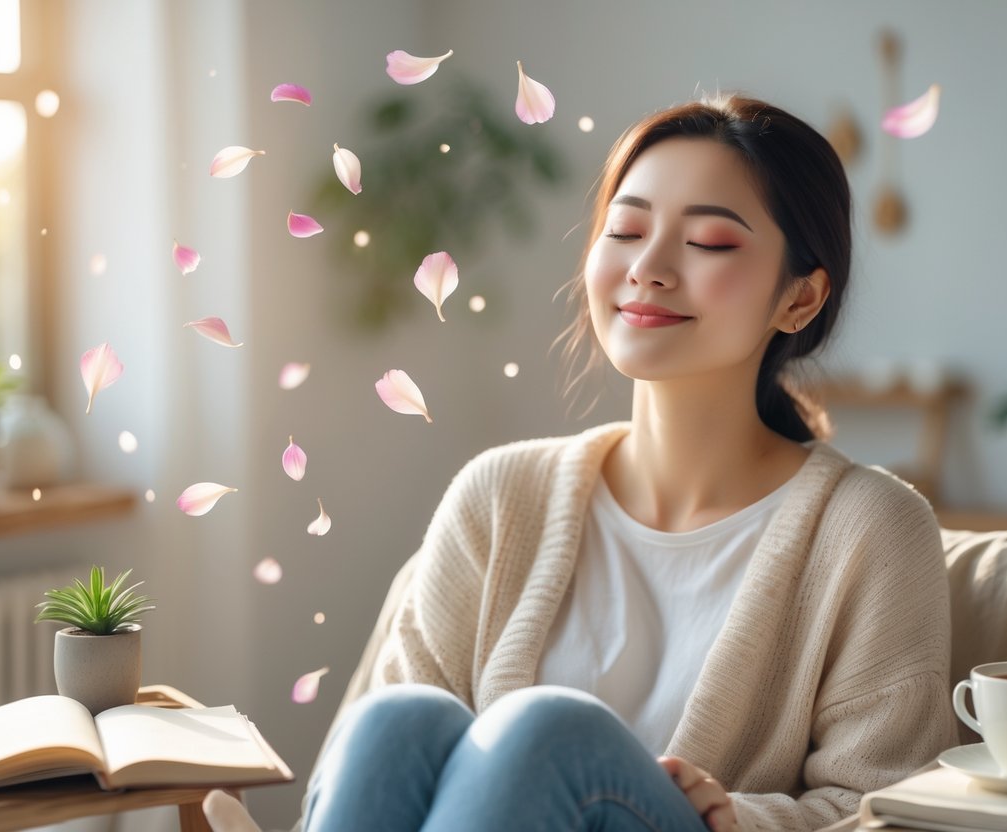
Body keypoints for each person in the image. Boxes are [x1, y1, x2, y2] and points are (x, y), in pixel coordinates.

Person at [205, 93, 958, 832]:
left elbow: (882, 809)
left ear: (799, 298)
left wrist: (733, 814)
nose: (649, 268)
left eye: (709, 243)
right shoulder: (499, 495)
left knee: (546, 732)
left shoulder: (872, 528)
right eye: (625, 231)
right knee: (400, 718)